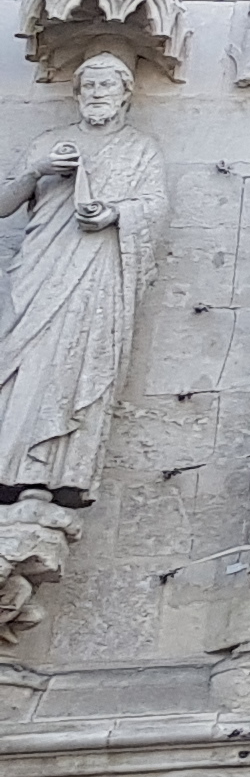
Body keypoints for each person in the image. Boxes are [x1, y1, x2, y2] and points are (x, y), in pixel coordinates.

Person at [0, 54, 165, 499]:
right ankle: (10, 467)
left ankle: (64, 475)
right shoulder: (49, 142)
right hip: (40, 271)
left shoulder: (141, 149)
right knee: (25, 358)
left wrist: (114, 213)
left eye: (106, 85)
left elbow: (154, 206)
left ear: (125, 94)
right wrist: (39, 170)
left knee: (80, 361)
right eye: (89, 86)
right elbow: (3, 204)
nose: (96, 94)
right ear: (76, 93)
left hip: (98, 273)